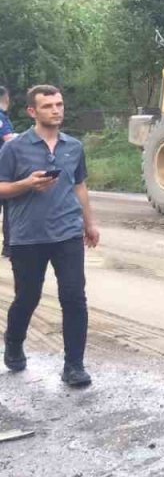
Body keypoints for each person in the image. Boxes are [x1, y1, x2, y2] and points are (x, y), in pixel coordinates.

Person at [0, 85, 100, 386]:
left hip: (67, 234)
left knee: (73, 296)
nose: (56, 110)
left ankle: (74, 366)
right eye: (48, 106)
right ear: (32, 111)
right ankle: (14, 344)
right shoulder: (14, 148)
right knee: (27, 297)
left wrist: (89, 223)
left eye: (59, 104)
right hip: (27, 236)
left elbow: (78, 186)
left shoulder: (74, 146)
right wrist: (27, 184)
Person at [0, 87, 16, 259]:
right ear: (6, 97)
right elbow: (10, 142)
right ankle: (9, 247)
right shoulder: (1, 118)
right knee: (10, 210)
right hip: (3, 172)